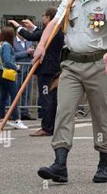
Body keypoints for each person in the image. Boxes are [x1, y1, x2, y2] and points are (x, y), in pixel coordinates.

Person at [35, 0, 107, 183]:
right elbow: (54, 24)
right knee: (63, 110)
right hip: (72, 65)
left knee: (101, 115)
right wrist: (41, 45)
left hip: (98, 64)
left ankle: (103, 164)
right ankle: (60, 164)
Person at [9, 7, 65, 137]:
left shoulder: (51, 32)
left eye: (44, 16)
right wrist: (33, 26)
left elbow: (31, 36)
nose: (42, 18)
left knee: (46, 99)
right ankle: (54, 126)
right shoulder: (58, 32)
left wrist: (17, 26)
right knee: (53, 99)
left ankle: (46, 128)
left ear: (49, 18)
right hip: (55, 69)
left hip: (46, 70)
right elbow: (40, 33)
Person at [0, 26, 28, 130]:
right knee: (14, 96)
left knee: (3, 96)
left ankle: (2, 119)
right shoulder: (8, 45)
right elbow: (7, 61)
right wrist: (16, 68)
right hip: (7, 73)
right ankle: (17, 120)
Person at [13, 32, 34, 120]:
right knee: (15, 91)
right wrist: (26, 52)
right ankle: (13, 112)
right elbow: (13, 55)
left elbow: (31, 54)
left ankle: (24, 112)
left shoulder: (29, 41)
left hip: (28, 70)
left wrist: (33, 53)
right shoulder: (13, 42)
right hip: (17, 70)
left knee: (27, 92)